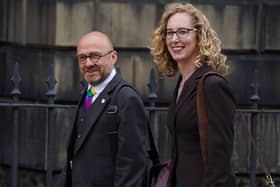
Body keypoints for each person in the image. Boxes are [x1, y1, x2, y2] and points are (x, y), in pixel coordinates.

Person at [150, 3, 236, 187]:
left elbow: (220, 156)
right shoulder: (182, 83)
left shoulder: (213, 85)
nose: (174, 39)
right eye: (170, 32)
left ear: (199, 35)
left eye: (183, 31)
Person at [55, 31, 148, 187]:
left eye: (95, 56)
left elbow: (132, 166)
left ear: (113, 57)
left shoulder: (127, 98)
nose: (89, 63)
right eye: (82, 58)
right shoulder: (88, 93)